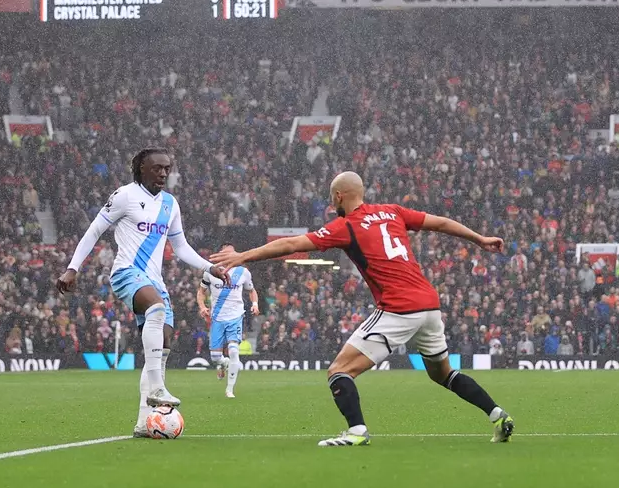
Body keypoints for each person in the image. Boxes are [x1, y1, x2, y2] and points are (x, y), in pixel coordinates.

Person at [212, 171, 513, 447]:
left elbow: (292, 244)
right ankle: (498, 415)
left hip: (398, 308)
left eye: (332, 198)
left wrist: (243, 256)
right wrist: (479, 238)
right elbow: (442, 223)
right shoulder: (392, 212)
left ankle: (357, 431)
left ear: (340, 196)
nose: (332, 203)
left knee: (339, 370)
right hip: (429, 305)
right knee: (442, 373)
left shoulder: (346, 225)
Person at [57, 149, 228, 437]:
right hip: (126, 273)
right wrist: (73, 268)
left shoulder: (170, 204)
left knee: (163, 345)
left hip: (154, 280)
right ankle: (158, 387)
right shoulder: (124, 195)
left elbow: (181, 247)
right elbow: (94, 230)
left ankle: (142, 422)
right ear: (141, 169)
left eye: (167, 168)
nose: (163, 173)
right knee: (156, 309)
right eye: (157, 168)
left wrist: (209, 267)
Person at [196, 250, 260, 398]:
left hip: (235, 316)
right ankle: (223, 363)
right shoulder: (210, 272)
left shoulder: (243, 272)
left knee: (233, 351)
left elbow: (251, 290)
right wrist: (202, 307)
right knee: (215, 357)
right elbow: (201, 292)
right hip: (217, 318)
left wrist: (255, 304)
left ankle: (229, 389)